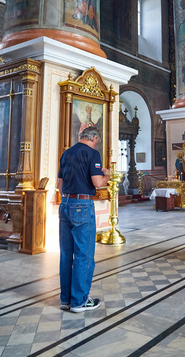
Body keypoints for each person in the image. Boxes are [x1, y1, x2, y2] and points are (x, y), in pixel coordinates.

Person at [57, 127, 110, 312]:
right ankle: (79, 301)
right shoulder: (92, 153)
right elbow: (97, 182)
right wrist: (107, 176)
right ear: (93, 137)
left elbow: (59, 184)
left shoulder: (66, 153)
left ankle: (66, 300)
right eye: (97, 141)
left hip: (64, 204)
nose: (96, 144)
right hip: (82, 205)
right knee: (84, 255)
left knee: (65, 255)